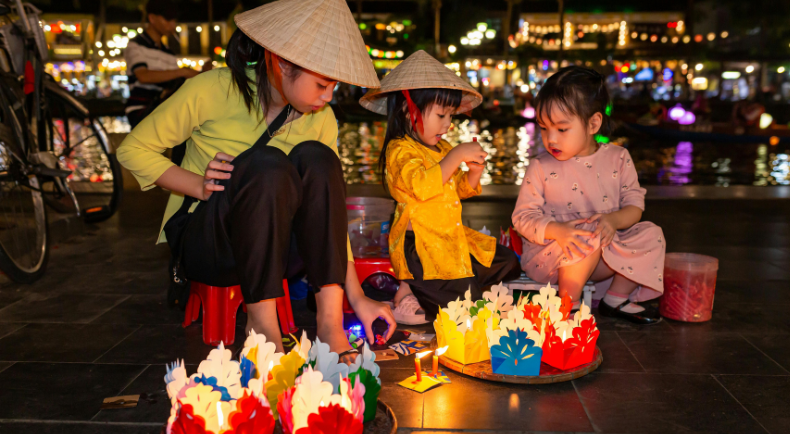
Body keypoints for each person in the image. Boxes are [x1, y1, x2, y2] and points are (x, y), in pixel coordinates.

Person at [116, 0, 395, 362]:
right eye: (322, 84)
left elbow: (327, 215)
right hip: (211, 244)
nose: (328, 97)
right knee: (266, 164)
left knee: (318, 159)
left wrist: (357, 298)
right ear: (281, 63)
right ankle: (262, 327)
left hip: (278, 251)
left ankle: (329, 322)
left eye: (333, 86)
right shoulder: (214, 89)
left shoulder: (321, 119)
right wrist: (197, 183)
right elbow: (133, 149)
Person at [359, 50, 521, 323]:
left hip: (449, 241)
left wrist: (474, 173)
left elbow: (458, 188)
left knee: (508, 261)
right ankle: (410, 292)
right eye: (441, 115)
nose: (447, 125)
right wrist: (456, 155)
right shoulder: (399, 151)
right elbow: (422, 186)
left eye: (450, 116)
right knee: (465, 309)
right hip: (420, 248)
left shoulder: (441, 148)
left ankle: (425, 288)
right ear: (408, 110)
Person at [512, 66, 665, 324]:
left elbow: (634, 206)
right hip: (551, 258)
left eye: (561, 129)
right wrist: (557, 230)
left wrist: (613, 221)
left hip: (605, 256)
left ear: (593, 123)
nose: (550, 139)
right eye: (544, 128)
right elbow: (522, 218)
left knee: (651, 234)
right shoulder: (541, 166)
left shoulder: (618, 158)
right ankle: (566, 306)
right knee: (586, 233)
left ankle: (615, 298)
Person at [124, 0, 209, 130]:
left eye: (174, 20)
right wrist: (183, 72)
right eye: (168, 19)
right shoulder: (135, 45)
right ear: (152, 18)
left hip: (163, 108)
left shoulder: (169, 53)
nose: (173, 25)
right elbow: (143, 76)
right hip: (141, 109)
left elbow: (173, 84)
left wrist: (202, 74)